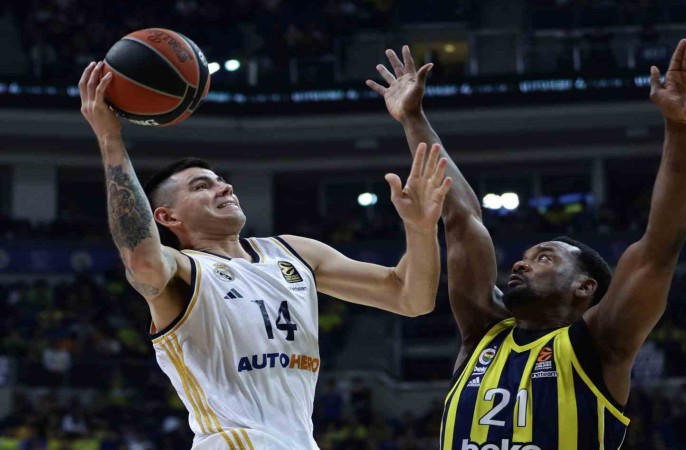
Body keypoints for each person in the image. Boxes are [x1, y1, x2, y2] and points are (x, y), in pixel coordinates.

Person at [368, 36, 686, 450]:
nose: (521, 264)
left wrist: (679, 128)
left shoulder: (601, 345)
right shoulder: (484, 333)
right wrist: (412, 117)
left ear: (584, 287)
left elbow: (659, 249)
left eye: (544, 258)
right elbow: (461, 218)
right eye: (524, 257)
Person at [79, 60, 452, 450]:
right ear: (167, 217)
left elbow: (411, 298)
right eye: (202, 186)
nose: (224, 188)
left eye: (222, 181)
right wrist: (110, 138)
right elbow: (141, 258)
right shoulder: (183, 271)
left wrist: (420, 228)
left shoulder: (294, 252)